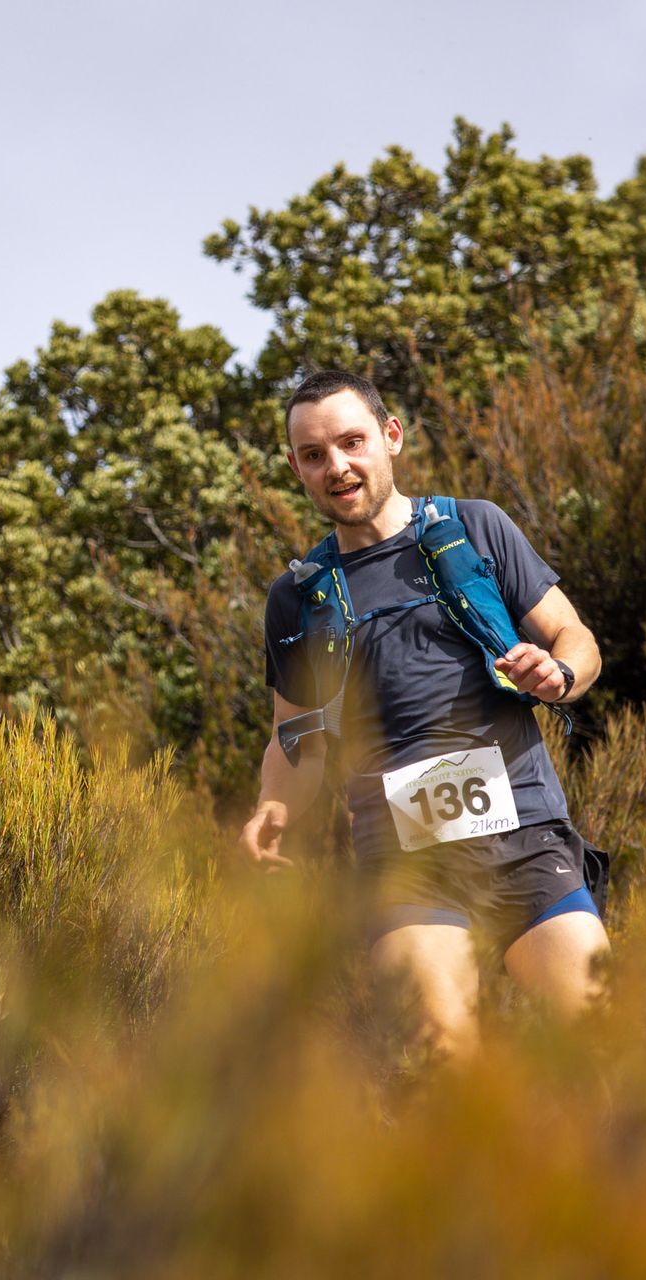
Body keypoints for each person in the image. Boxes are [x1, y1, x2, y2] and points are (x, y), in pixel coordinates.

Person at [239, 369, 608, 1059]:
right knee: (441, 1059)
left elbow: (577, 641)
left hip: (526, 833)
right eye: (314, 455)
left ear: (391, 436)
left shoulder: (474, 528)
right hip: (404, 867)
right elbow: (296, 742)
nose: (337, 466)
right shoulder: (297, 599)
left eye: (352, 442)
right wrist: (273, 809)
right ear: (295, 468)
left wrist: (557, 675)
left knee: (595, 1036)